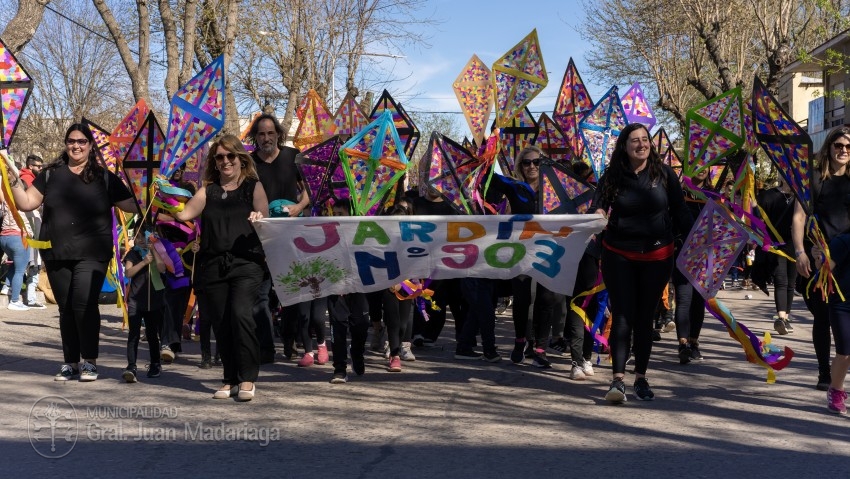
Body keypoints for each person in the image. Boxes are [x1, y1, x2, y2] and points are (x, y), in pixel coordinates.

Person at [9, 124, 137, 381]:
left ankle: (89, 361)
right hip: (56, 252)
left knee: (84, 303)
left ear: (90, 145)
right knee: (67, 308)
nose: (75, 146)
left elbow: (133, 206)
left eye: (81, 141)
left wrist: (145, 184)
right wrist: (10, 179)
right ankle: (70, 362)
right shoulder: (50, 174)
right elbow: (27, 203)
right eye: (71, 141)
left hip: (93, 253)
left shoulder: (104, 176)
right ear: (66, 143)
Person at [592, 123, 693, 403]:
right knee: (623, 315)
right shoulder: (612, 176)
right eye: (634, 140)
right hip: (618, 254)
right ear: (624, 146)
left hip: (658, 256)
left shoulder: (664, 174)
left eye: (645, 139)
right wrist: (598, 213)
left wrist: (698, 238)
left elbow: (681, 210)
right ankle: (617, 381)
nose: (641, 144)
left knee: (645, 317)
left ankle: (641, 378)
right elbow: (597, 205)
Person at [172, 134, 269, 401]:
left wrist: (259, 217)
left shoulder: (253, 187)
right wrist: (163, 196)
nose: (225, 161)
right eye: (219, 157)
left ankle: (248, 377)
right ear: (214, 161)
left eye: (230, 156)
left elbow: (266, 215)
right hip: (212, 264)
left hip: (246, 262)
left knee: (241, 315)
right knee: (222, 323)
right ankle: (230, 378)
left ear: (240, 159)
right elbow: (184, 214)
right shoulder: (208, 190)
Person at [248, 114, 309, 364]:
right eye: (261, 134)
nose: (266, 138)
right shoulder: (248, 162)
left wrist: (298, 207)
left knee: (291, 290)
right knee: (260, 295)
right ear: (256, 137)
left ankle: (289, 338)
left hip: (291, 235)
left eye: (270, 133)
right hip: (260, 235)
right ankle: (265, 347)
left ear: (278, 134)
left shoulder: (293, 156)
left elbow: (309, 189)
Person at [793, 125, 850, 391]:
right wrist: (801, 252)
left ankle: (840, 364)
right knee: (823, 317)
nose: (844, 150)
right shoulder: (813, 179)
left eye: (848, 147)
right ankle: (824, 372)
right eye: (839, 145)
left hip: (848, 259)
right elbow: (799, 217)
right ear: (829, 147)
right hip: (820, 261)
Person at [506, 146, 566, 369]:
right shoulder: (515, 189)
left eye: (536, 162)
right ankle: (520, 341)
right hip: (520, 250)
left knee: (546, 299)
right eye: (526, 162)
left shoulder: (554, 189)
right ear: (520, 166)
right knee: (522, 299)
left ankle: (540, 348)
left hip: (549, 249)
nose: (532, 166)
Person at [813, 193, 850, 414]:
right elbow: (824, 272)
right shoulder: (843, 241)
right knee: (845, 353)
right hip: (843, 305)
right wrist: (819, 258)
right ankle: (836, 390)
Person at [327, 198, 370, 384]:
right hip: (336, 288)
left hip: (358, 287)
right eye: (334, 214)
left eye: (340, 214)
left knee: (360, 325)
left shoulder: (361, 233)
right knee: (338, 327)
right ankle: (339, 368)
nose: (337, 217)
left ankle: (357, 353)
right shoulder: (327, 234)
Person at [674, 168, 710, 363]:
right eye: (698, 164)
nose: (703, 169)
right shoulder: (678, 194)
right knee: (684, 298)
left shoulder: (712, 195)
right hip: (682, 253)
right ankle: (683, 344)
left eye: (707, 164)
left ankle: (694, 342)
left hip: (706, 257)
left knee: (698, 300)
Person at [121, 228, 167, 382]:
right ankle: (131, 366)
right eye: (138, 237)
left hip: (153, 300)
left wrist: (154, 253)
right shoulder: (132, 253)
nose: (141, 240)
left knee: (152, 334)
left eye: (145, 238)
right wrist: (143, 262)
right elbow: (128, 273)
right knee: (133, 333)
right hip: (135, 299)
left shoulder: (156, 253)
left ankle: (155, 364)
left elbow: (162, 269)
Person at [757, 178, 797, 335]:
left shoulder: (800, 197)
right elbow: (756, 219)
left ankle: (786, 318)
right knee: (781, 280)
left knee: (791, 283)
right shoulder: (768, 196)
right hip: (775, 246)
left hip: (795, 245)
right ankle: (780, 317)